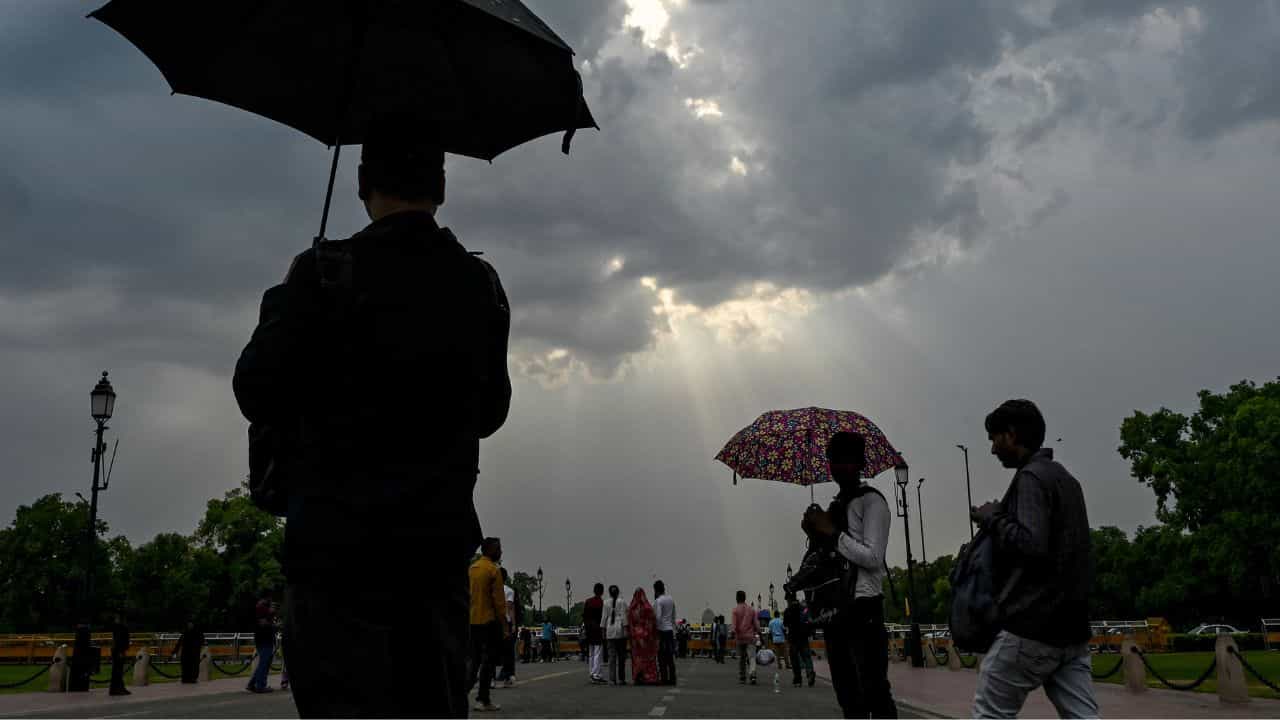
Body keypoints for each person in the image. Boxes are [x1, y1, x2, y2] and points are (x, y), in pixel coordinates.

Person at [232, 109, 511, 718]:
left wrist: (292, 298)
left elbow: (255, 388)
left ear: (362, 185)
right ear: (440, 187)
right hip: (433, 552)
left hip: (334, 554)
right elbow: (492, 411)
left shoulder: (324, 273)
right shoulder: (480, 285)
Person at [969, 400, 1096, 719]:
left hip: (1033, 624)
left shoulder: (1031, 478)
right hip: (1073, 627)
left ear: (1011, 435)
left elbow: (1032, 544)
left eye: (994, 439)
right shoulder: (1065, 479)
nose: (993, 449)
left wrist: (991, 519)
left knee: (990, 712)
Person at [806, 431, 896, 718]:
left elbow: (873, 557)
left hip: (864, 607)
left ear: (859, 463)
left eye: (843, 460)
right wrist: (814, 532)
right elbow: (828, 558)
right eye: (832, 460)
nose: (836, 467)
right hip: (837, 610)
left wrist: (832, 533)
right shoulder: (836, 505)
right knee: (847, 695)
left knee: (874, 690)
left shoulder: (872, 502)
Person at [467, 538, 510, 712]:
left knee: (474, 661)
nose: (501, 552)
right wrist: (505, 624)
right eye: (499, 548)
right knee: (489, 661)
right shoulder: (494, 570)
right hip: (489, 621)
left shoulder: (472, 568)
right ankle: (483, 699)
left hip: (473, 620)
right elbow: (499, 602)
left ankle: (460, 692)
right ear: (491, 550)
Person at [627, 588, 660, 685]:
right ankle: (649, 677)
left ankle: (638, 677)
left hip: (636, 638)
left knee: (637, 658)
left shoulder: (631, 608)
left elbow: (630, 624)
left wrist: (633, 634)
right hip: (646, 637)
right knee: (648, 657)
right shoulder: (648, 608)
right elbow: (652, 623)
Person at [783, 594, 815, 687]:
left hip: (793, 638)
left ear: (789, 600)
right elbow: (809, 621)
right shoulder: (803, 608)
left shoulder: (788, 611)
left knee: (794, 659)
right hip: (804, 637)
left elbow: (785, 624)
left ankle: (798, 679)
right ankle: (810, 673)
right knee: (807, 657)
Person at [247, 596, 277, 693]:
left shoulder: (262, 608)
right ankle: (261, 685)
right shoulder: (262, 609)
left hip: (264, 639)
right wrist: (274, 624)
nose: (273, 606)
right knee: (264, 663)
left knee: (264, 663)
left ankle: (252, 684)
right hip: (264, 640)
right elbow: (263, 623)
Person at [602, 585, 629, 686]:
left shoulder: (605, 602)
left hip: (610, 629)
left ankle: (612, 679)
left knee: (612, 657)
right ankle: (621, 679)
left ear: (609, 593)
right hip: (620, 630)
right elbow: (624, 617)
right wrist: (626, 630)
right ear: (618, 592)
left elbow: (603, 618)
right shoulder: (622, 602)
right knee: (621, 657)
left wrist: (603, 632)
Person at [496, 568, 518, 687]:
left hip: (493, 621)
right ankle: (508, 677)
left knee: (492, 650)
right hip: (506, 622)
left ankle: (491, 679)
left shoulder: (492, 589)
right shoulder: (509, 590)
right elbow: (510, 608)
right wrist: (514, 624)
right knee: (508, 651)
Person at [653, 580, 677, 686]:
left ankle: (664, 679)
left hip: (662, 631)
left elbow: (657, 617)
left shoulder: (658, 601)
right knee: (670, 656)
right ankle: (672, 678)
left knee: (661, 656)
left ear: (656, 590)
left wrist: (655, 630)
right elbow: (673, 616)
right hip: (670, 630)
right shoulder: (671, 599)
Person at [732, 591, 758, 685]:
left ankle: (742, 677)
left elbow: (734, 627)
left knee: (742, 658)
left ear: (737, 598)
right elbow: (756, 625)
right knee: (752, 657)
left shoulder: (735, 610)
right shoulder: (751, 610)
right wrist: (759, 634)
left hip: (740, 638)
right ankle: (753, 675)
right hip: (750, 637)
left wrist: (733, 635)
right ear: (745, 598)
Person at [583, 583, 606, 684]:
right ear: (602, 592)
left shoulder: (588, 601)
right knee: (598, 653)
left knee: (591, 653)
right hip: (597, 629)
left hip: (589, 629)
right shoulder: (601, 603)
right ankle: (596, 674)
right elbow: (603, 618)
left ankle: (591, 673)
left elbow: (584, 616)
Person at [109, 611, 131, 696]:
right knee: (118, 671)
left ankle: (117, 688)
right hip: (119, 650)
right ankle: (118, 689)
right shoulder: (120, 627)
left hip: (117, 650)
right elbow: (119, 640)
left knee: (117, 671)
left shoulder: (116, 626)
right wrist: (121, 651)